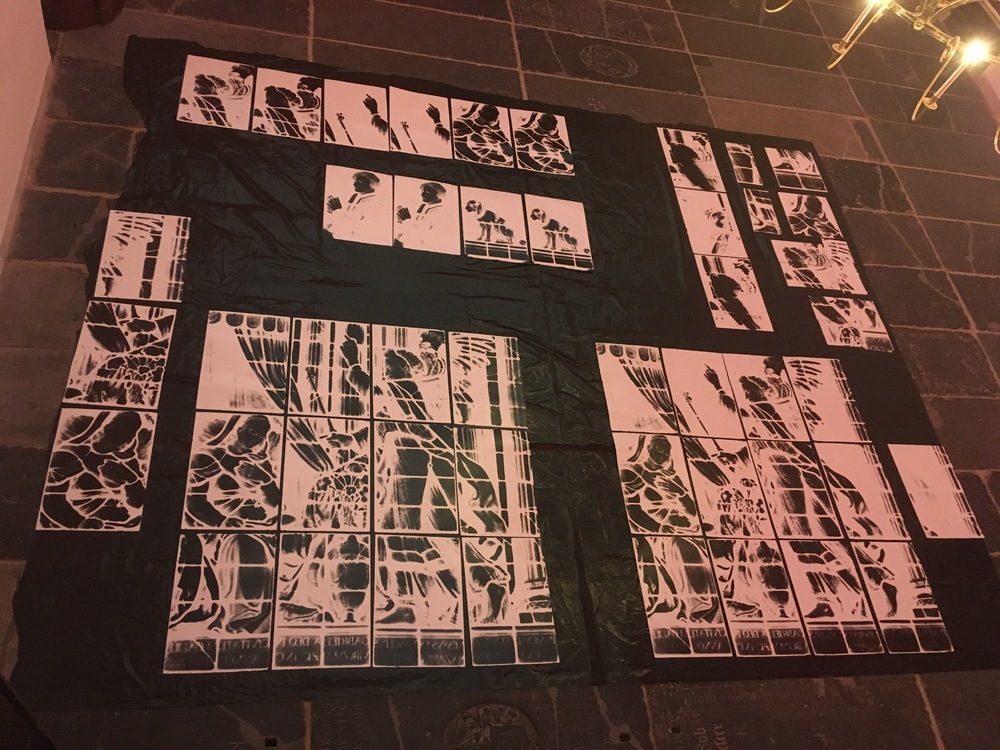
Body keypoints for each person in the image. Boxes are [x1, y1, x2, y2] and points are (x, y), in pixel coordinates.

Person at [185, 414, 281, 527]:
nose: (256, 438)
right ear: (239, 430)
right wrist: (221, 522)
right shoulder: (208, 457)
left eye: (261, 436)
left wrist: (266, 480)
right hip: (231, 528)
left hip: (265, 524)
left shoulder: (260, 463)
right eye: (252, 432)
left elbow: (275, 503)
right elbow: (193, 499)